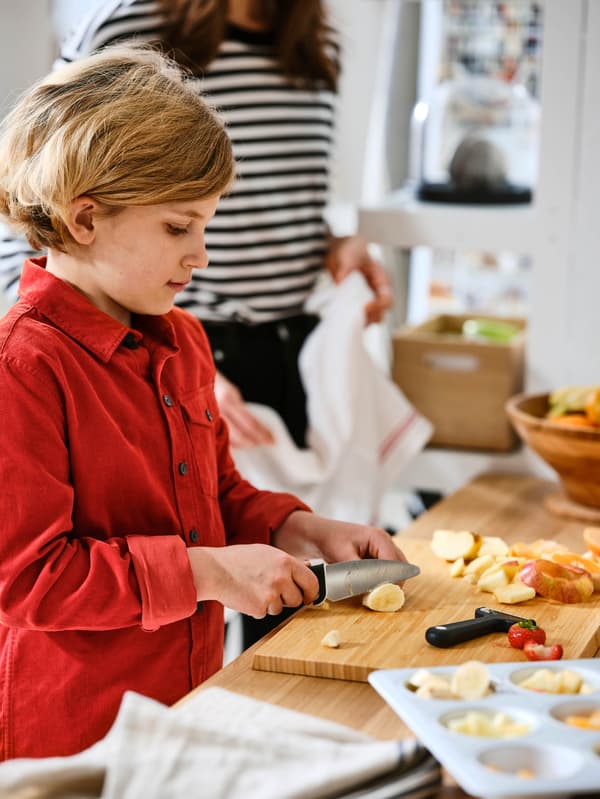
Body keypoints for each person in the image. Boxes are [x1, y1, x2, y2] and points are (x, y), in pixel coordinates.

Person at [0, 43, 408, 761]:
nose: (202, 255)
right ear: (85, 218)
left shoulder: (184, 341)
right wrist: (210, 574)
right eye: (178, 227)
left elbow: (215, 495)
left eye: (206, 224)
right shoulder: (22, 366)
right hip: (66, 743)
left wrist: (297, 528)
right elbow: (31, 578)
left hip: (182, 709)